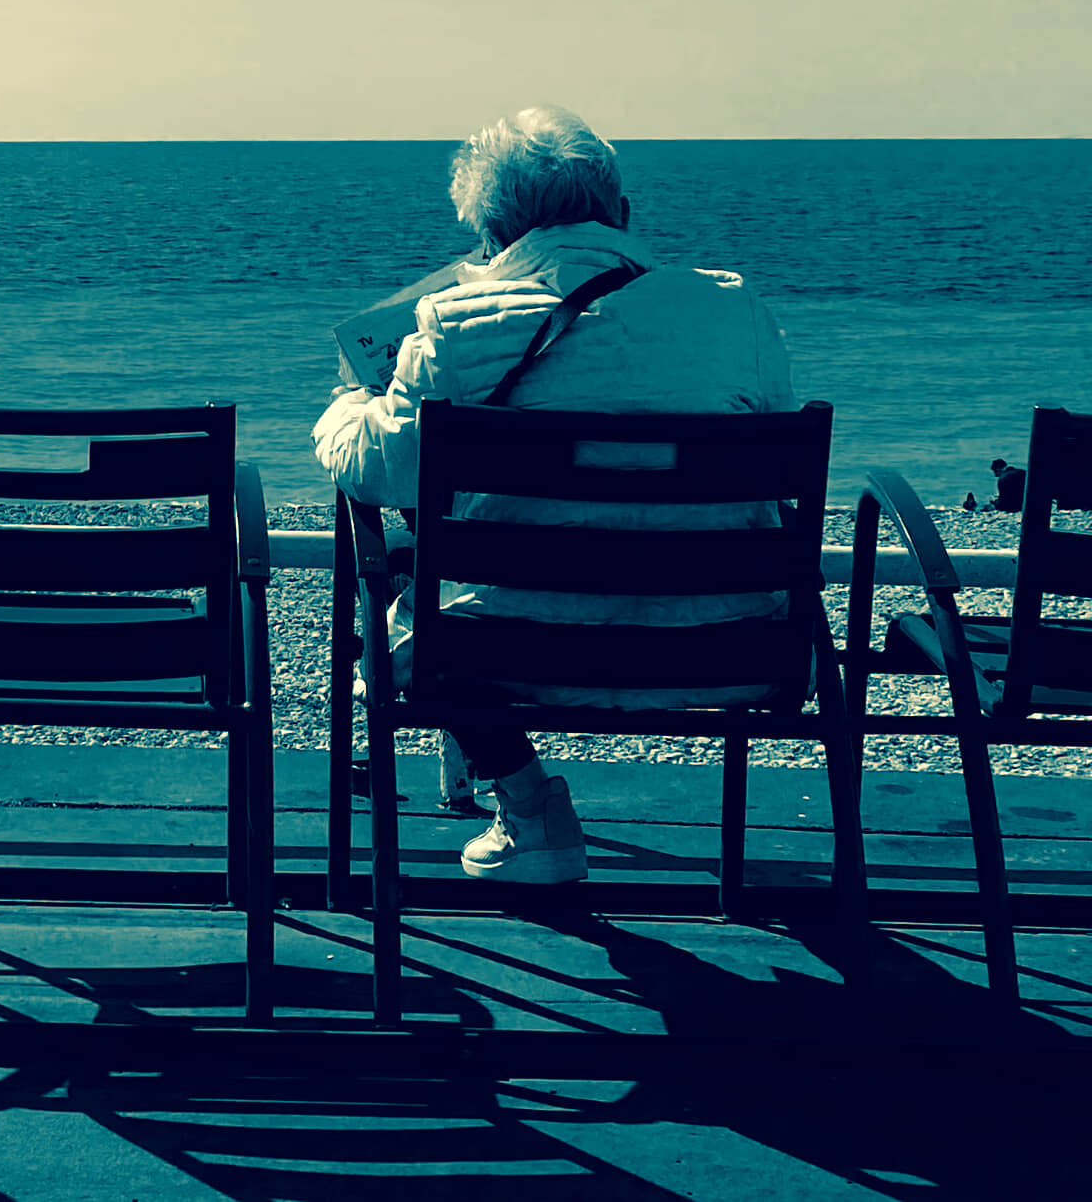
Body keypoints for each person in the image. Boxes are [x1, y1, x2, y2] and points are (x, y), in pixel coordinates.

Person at [312, 105, 795, 884]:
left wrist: (346, 404)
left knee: (405, 572)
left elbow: (376, 471)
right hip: (726, 645)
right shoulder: (736, 310)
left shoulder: (453, 324)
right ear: (624, 216)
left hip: (502, 653)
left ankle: (529, 804)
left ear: (492, 237)